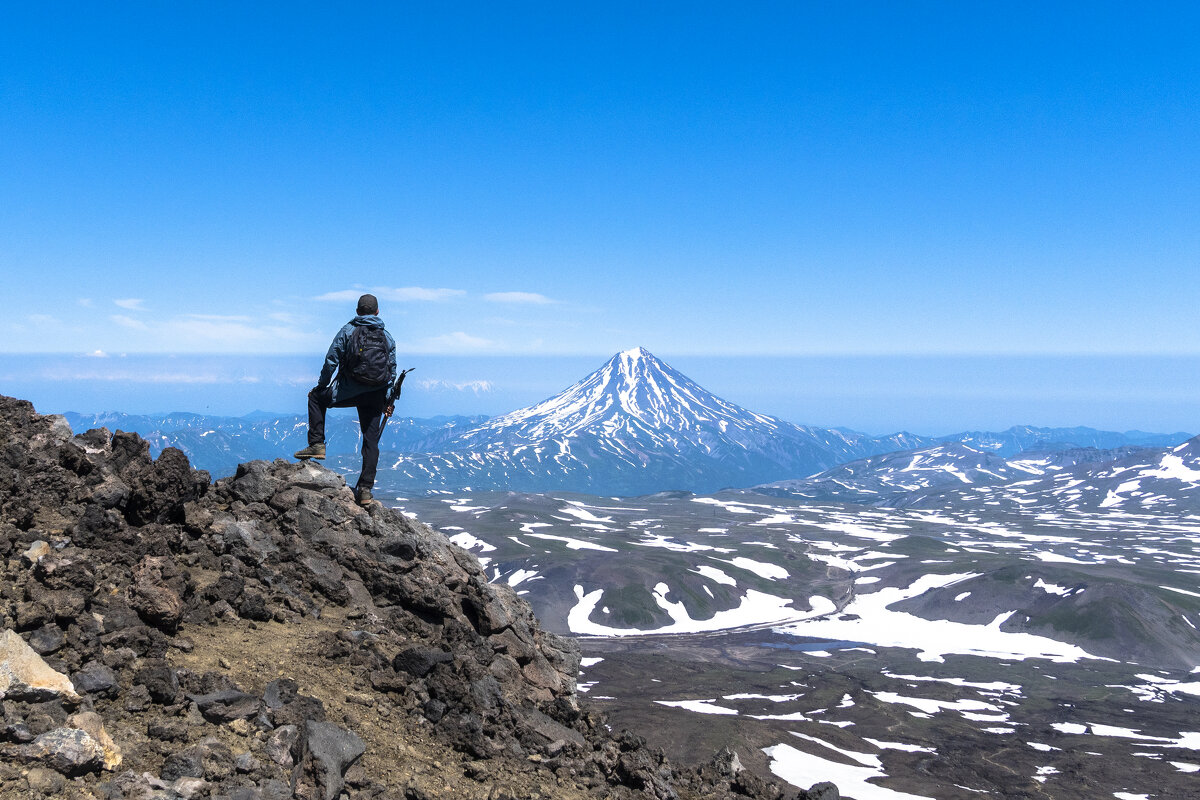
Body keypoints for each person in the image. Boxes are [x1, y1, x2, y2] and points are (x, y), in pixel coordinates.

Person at [294, 293, 397, 506]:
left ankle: (317, 444)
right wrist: (387, 401)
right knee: (371, 440)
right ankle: (366, 490)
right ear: (377, 312)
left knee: (315, 398)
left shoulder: (348, 331)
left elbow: (331, 360)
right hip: (376, 394)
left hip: (348, 390)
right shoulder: (387, 337)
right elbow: (391, 372)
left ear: (358, 311)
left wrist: (321, 387)